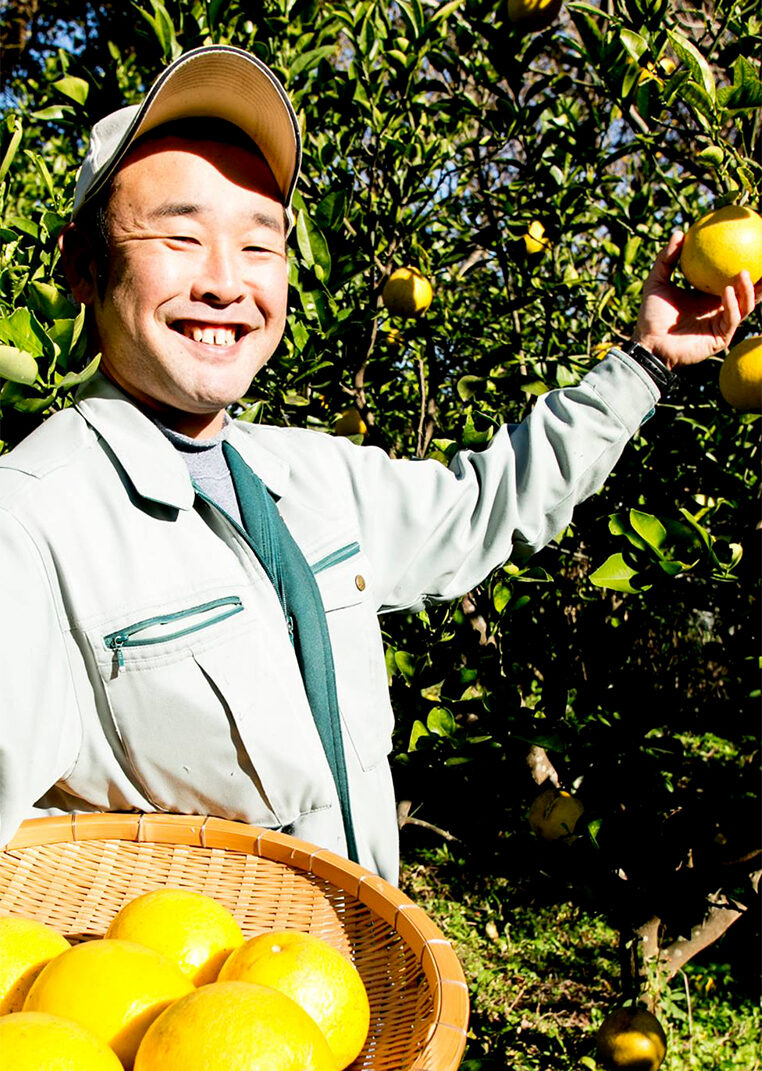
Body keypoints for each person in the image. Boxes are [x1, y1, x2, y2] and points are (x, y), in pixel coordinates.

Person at [0, 46, 757, 885]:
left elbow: (485, 504)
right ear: (82, 264)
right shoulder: (32, 521)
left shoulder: (305, 477)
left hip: (354, 993)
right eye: (180, 236)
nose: (225, 282)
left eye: (260, 246)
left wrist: (645, 362)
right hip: (195, 1010)